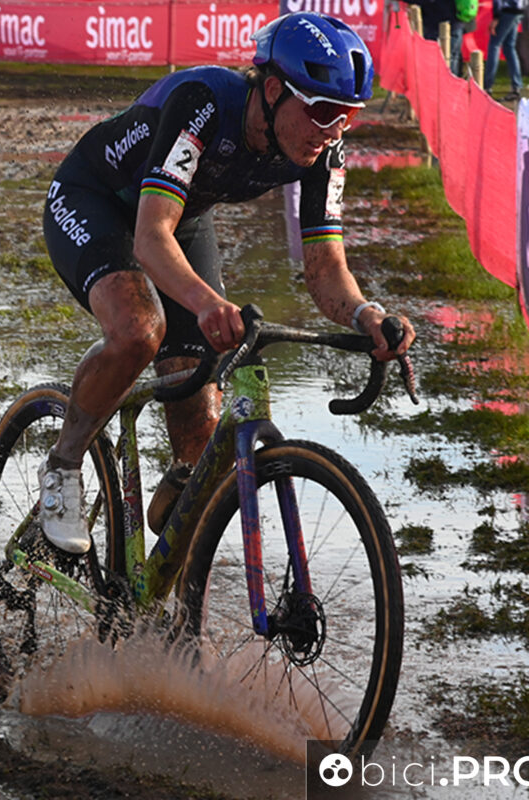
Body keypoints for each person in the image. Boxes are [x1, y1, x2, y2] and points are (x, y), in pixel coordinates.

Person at [39, 11, 416, 554]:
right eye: (325, 111)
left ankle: (165, 583)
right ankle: (63, 466)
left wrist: (366, 315)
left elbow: (326, 270)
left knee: (201, 441)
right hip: (95, 201)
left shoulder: (322, 149)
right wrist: (209, 302)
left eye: (348, 117)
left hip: (181, 223)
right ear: (271, 90)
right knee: (140, 329)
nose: (334, 130)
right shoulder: (204, 102)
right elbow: (149, 238)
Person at [485, 0, 525, 100]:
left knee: (494, 46)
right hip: (519, 9)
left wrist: (496, 16)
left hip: (506, 10)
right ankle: (516, 86)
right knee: (509, 47)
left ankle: (487, 85)